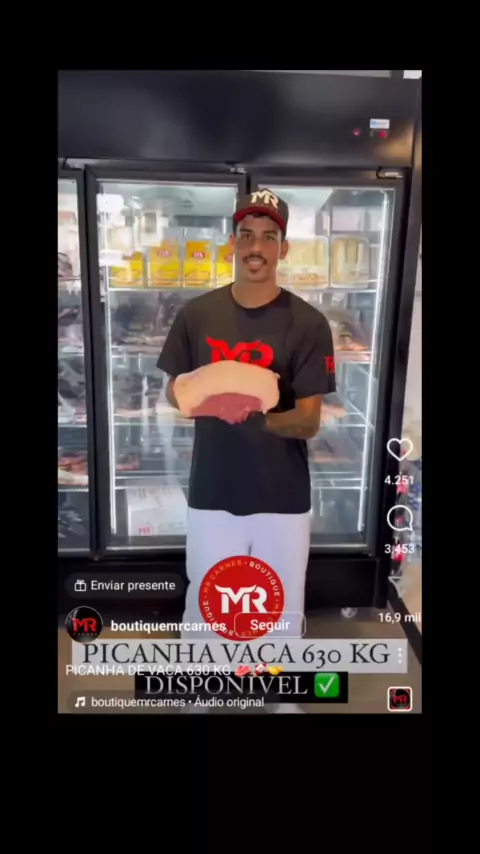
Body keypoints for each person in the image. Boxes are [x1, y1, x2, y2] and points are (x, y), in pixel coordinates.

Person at [157, 189, 336, 713]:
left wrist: (250, 412)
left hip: (282, 494)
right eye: (247, 235)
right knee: (208, 597)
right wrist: (198, 398)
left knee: (281, 598)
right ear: (232, 243)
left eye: (269, 236)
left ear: (284, 248)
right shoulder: (197, 314)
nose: (256, 246)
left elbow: (308, 421)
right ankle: (200, 688)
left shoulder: (309, 323)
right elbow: (174, 391)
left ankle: (281, 694)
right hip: (213, 487)